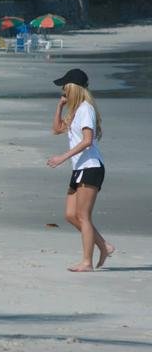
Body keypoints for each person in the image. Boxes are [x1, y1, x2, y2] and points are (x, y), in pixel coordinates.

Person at [47, 68, 114, 272]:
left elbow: (87, 141)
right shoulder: (75, 110)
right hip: (80, 168)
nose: (63, 91)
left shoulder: (86, 109)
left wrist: (62, 158)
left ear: (73, 88)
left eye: (65, 88)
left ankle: (87, 262)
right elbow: (56, 129)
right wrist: (60, 107)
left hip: (91, 167)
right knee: (70, 215)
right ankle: (103, 245)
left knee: (83, 216)